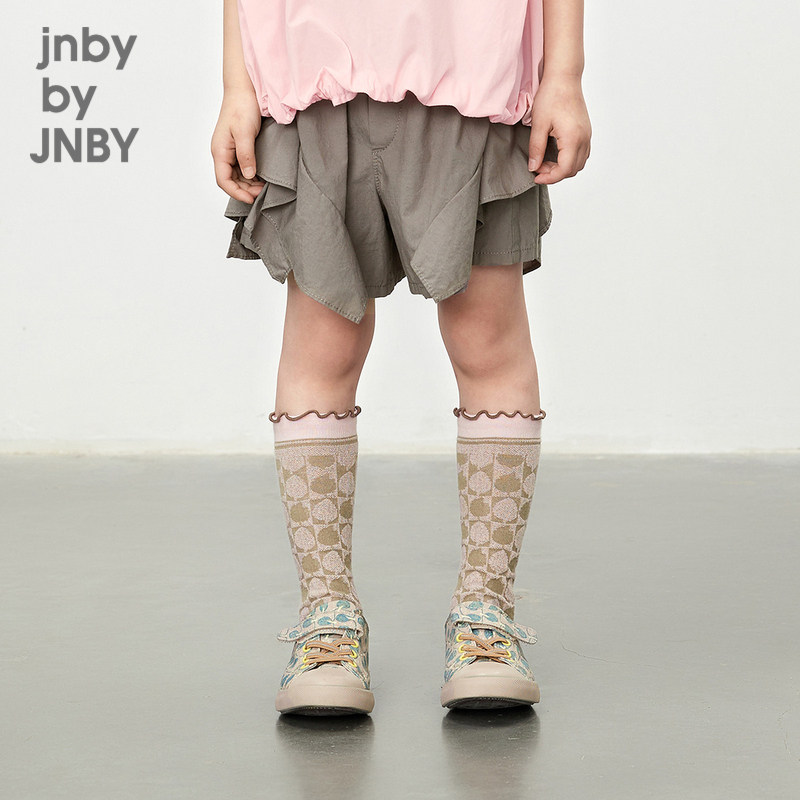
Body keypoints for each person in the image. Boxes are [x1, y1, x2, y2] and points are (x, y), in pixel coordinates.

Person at [211, 0, 591, 716]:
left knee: (487, 337)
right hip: (312, 81)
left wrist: (563, 75)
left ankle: (486, 614)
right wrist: (238, 86)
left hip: (474, 73)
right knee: (323, 342)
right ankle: (326, 618)